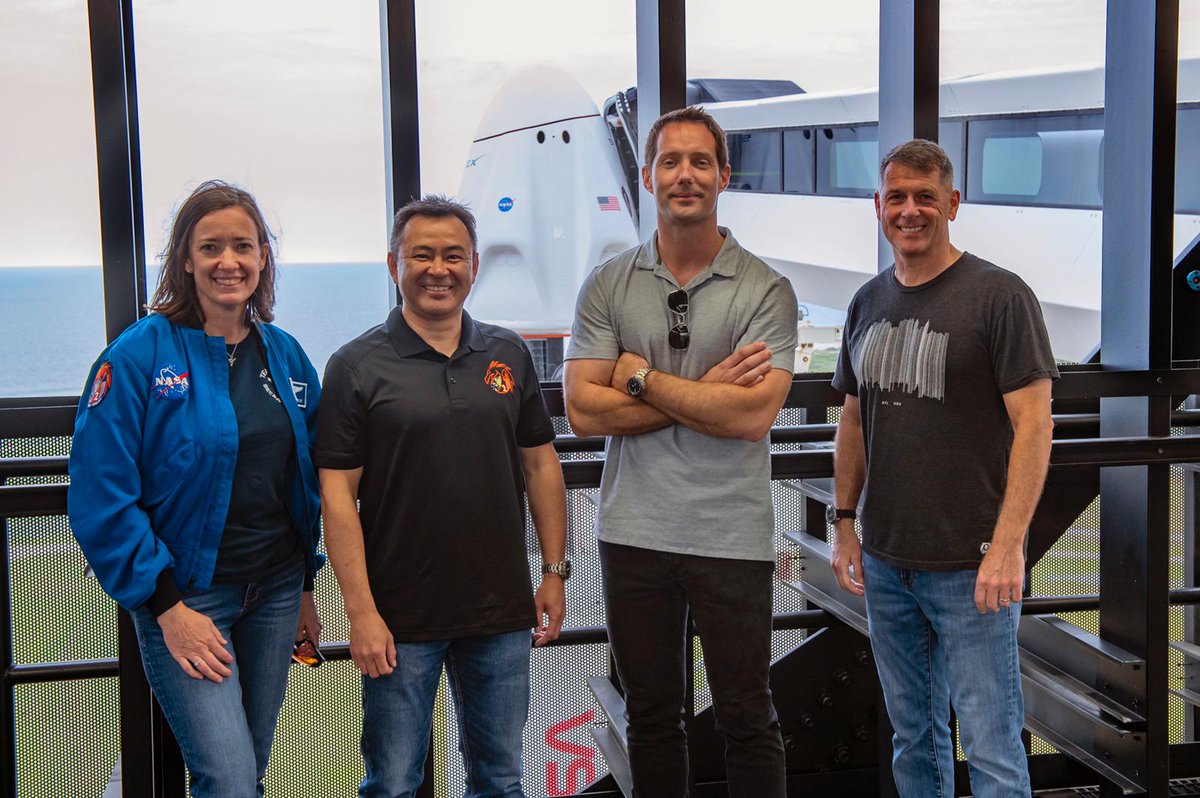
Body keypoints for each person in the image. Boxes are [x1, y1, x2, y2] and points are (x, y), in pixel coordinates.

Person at [564, 106, 797, 798]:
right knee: (653, 720)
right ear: (647, 176)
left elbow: (751, 414)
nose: (685, 175)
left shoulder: (766, 289)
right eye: (670, 161)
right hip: (635, 534)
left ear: (724, 175)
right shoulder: (607, 284)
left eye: (701, 162)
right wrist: (703, 396)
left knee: (747, 718)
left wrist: (639, 378)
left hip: (733, 535)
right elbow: (581, 409)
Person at [67, 180, 324, 797]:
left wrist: (307, 587)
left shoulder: (285, 356)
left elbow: (306, 482)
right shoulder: (137, 355)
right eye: (210, 247)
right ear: (185, 258)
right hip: (187, 599)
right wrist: (166, 608)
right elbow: (100, 493)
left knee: (248, 770)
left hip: (276, 593)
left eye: (243, 246)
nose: (227, 262)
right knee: (229, 779)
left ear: (263, 257)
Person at [317, 195, 568, 798]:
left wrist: (555, 573)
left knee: (500, 781)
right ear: (392, 264)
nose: (438, 269)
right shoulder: (355, 366)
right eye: (421, 255)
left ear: (474, 266)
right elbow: (336, 496)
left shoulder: (507, 353)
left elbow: (540, 464)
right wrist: (362, 614)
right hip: (400, 620)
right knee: (393, 783)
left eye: (453, 255)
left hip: (500, 613)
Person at [829, 139, 1057, 797]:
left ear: (952, 203)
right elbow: (853, 422)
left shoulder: (999, 297)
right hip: (888, 563)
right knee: (914, 743)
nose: (910, 210)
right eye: (896, 197)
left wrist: (1008, 548)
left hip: (973, 568)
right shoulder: (867, 303)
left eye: (925, 196)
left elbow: (1035, 426)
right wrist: (845, 523)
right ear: (879, 206)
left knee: (992, 751)